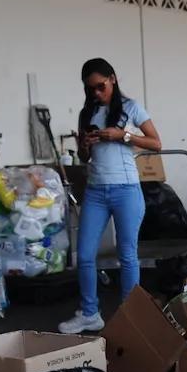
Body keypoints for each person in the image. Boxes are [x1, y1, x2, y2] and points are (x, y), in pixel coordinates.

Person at [59, 57, 162, 333]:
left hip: (126, 189)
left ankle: (130, 316)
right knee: (84, 254)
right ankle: (89, 313)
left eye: (100, 86)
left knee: (127, 255)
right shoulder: (87, 113)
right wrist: (85, 145)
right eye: (90, 88)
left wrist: (123, 136)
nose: (96, 92)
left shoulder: (131, 107)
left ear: (113, 79)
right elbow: (85, 157)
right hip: (96, 190)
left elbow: (156, 143)